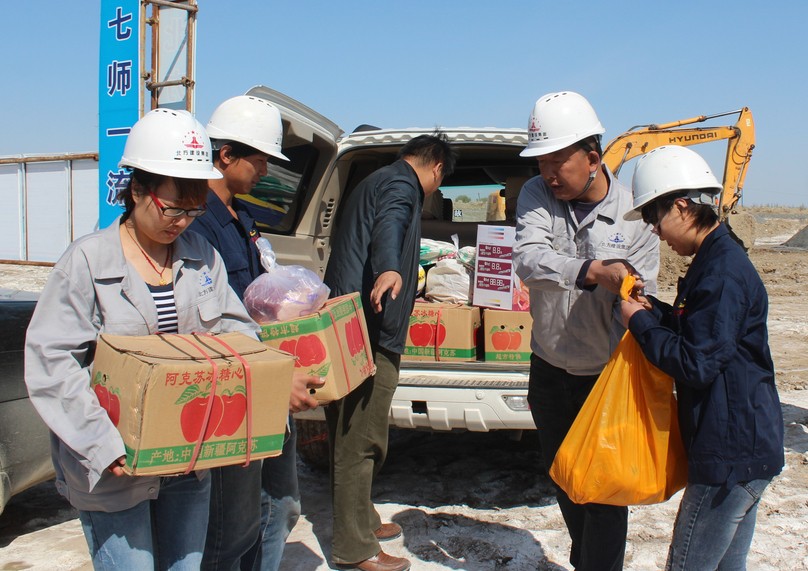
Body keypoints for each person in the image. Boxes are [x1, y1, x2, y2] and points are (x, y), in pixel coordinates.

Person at [24, 108, 256, 570]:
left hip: (187, 457)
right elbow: (51, 362)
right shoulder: (88, 262)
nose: (182, 222)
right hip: (115, 464)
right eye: (173, 208)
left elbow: (237, 333)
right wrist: (99, 443)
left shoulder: (202, 256)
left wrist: (247, 414)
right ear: (137, 190)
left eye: (194, 209)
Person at [512, 91, 659, 571]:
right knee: (565, 477)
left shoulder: (636, 214)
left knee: (605, 493)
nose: (548, 174)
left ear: (593, 158)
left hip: (605, 376)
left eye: (558, 162)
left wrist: (631, 298)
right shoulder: (537, 195)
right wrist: (593, 270)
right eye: (541, 163)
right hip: (550, 367)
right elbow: (528, 261)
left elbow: (644, 297)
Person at [619, 145, 784, 570]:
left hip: (729, 455)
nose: (656, 232)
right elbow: (702, 333)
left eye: (654, 219)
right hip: (741, 449)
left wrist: (639, 324)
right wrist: (654, 311)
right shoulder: (714, 261)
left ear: (681, 206)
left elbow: (697, 363)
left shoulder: (722, 272)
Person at [188, 95, 323, 571]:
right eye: (260, 159)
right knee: (234, 524)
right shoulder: (197, 223)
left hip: (267, 373)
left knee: (281, 506)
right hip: (235, 384)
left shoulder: (242, 217)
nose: (266, 170)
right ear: (226, 154)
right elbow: (208, 320)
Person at [323, 132, 456, 571]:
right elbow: (391, 225)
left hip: (354, 324)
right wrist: (389, 269)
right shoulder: (402, 185)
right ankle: (354, 548)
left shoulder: (378, 179)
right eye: (440, 180)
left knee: (354, 433)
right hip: (368, 331)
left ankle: (362, 519)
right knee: (360, 440)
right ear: (437, 167)